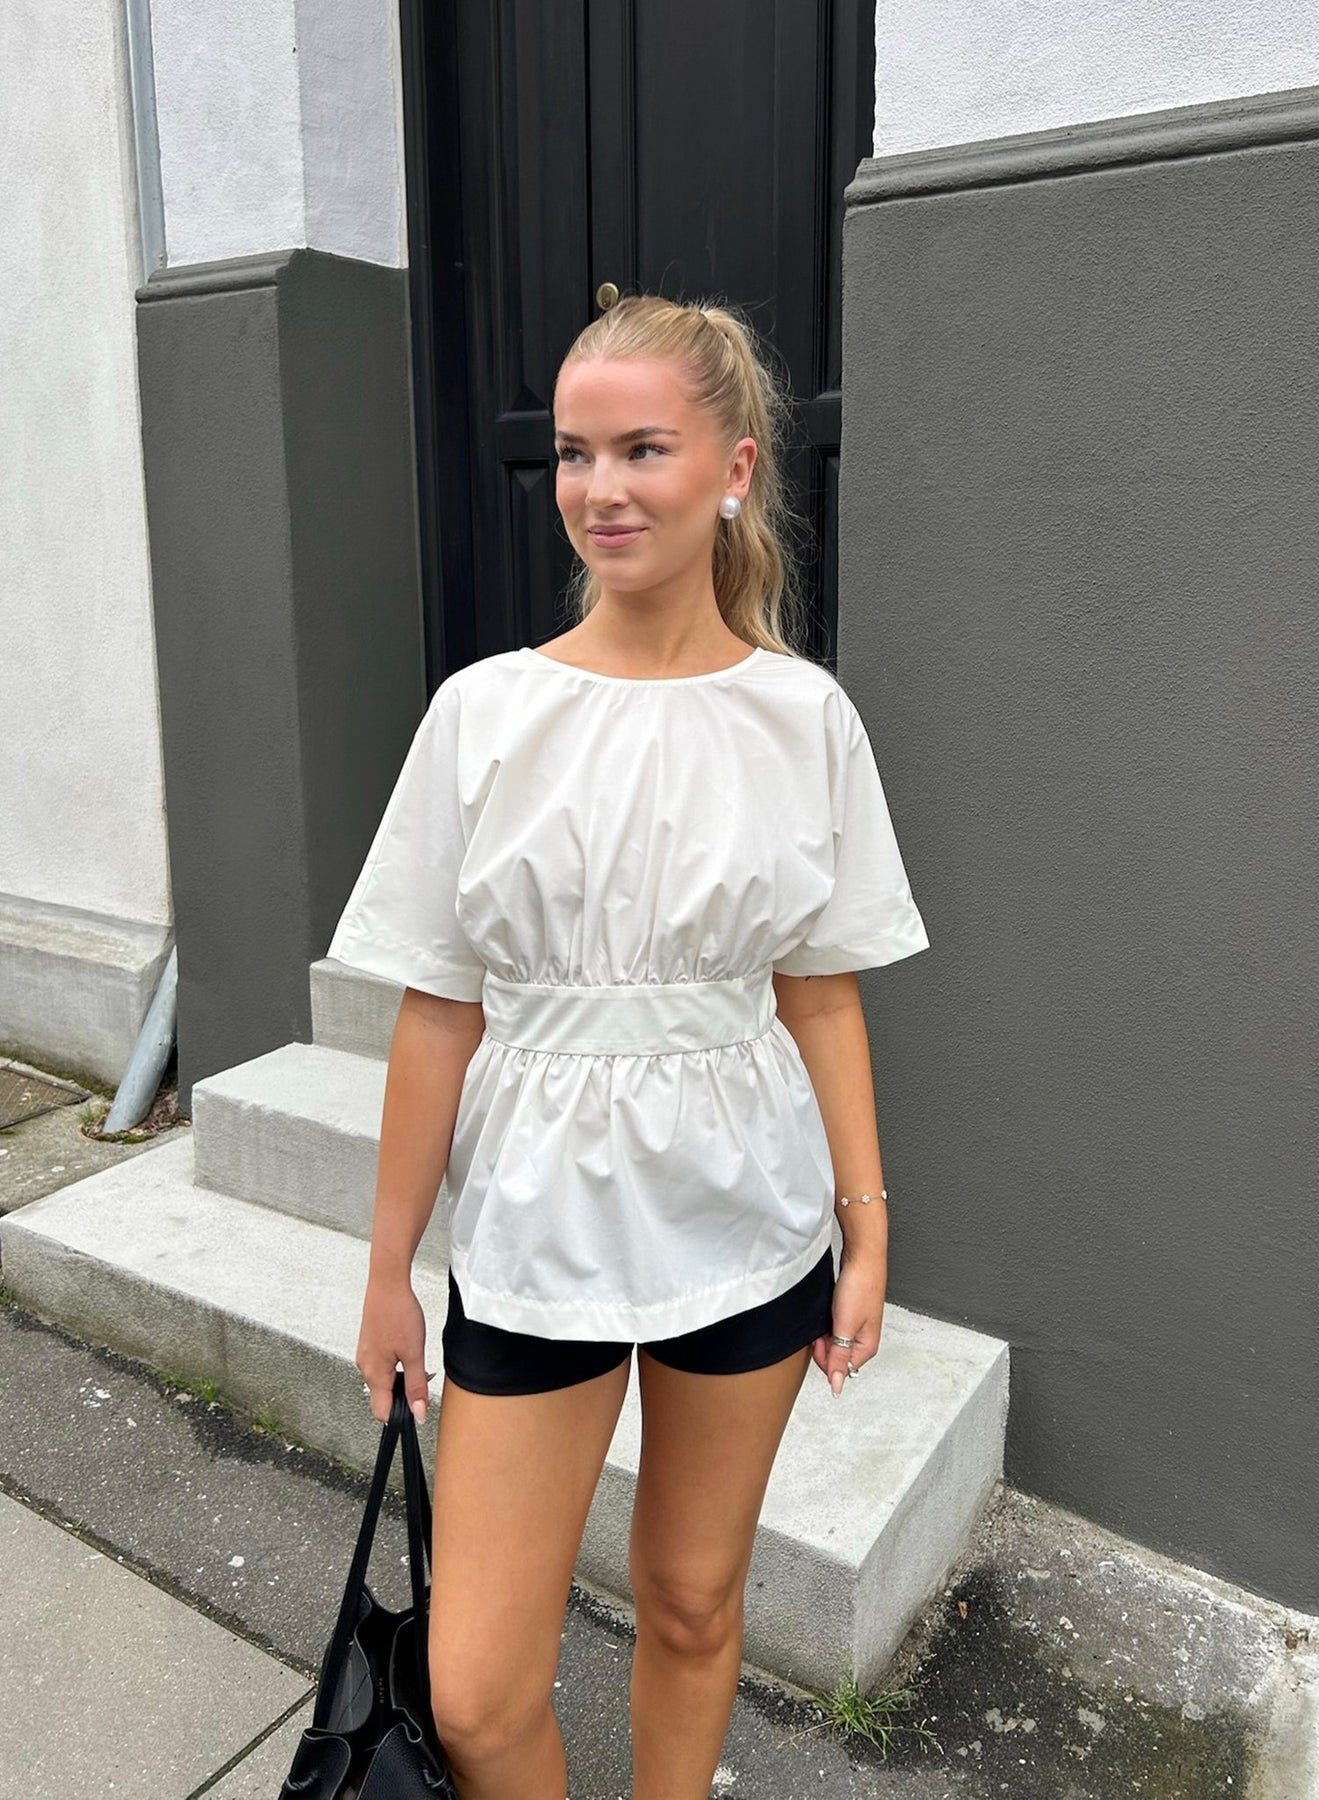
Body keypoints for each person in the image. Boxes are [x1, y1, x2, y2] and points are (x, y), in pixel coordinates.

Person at [327, 292, 929, 1800]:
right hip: (536, 1223)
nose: (599, 489)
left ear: (734, 468)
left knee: (694, 1599)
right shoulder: (486, 714)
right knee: (474, 1692)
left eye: (642, 449)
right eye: (575, 454)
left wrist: (865, 1226)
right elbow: (438, 1006)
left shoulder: (804, 718)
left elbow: (821, 992)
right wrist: (390, 1267)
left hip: (748, 1216)